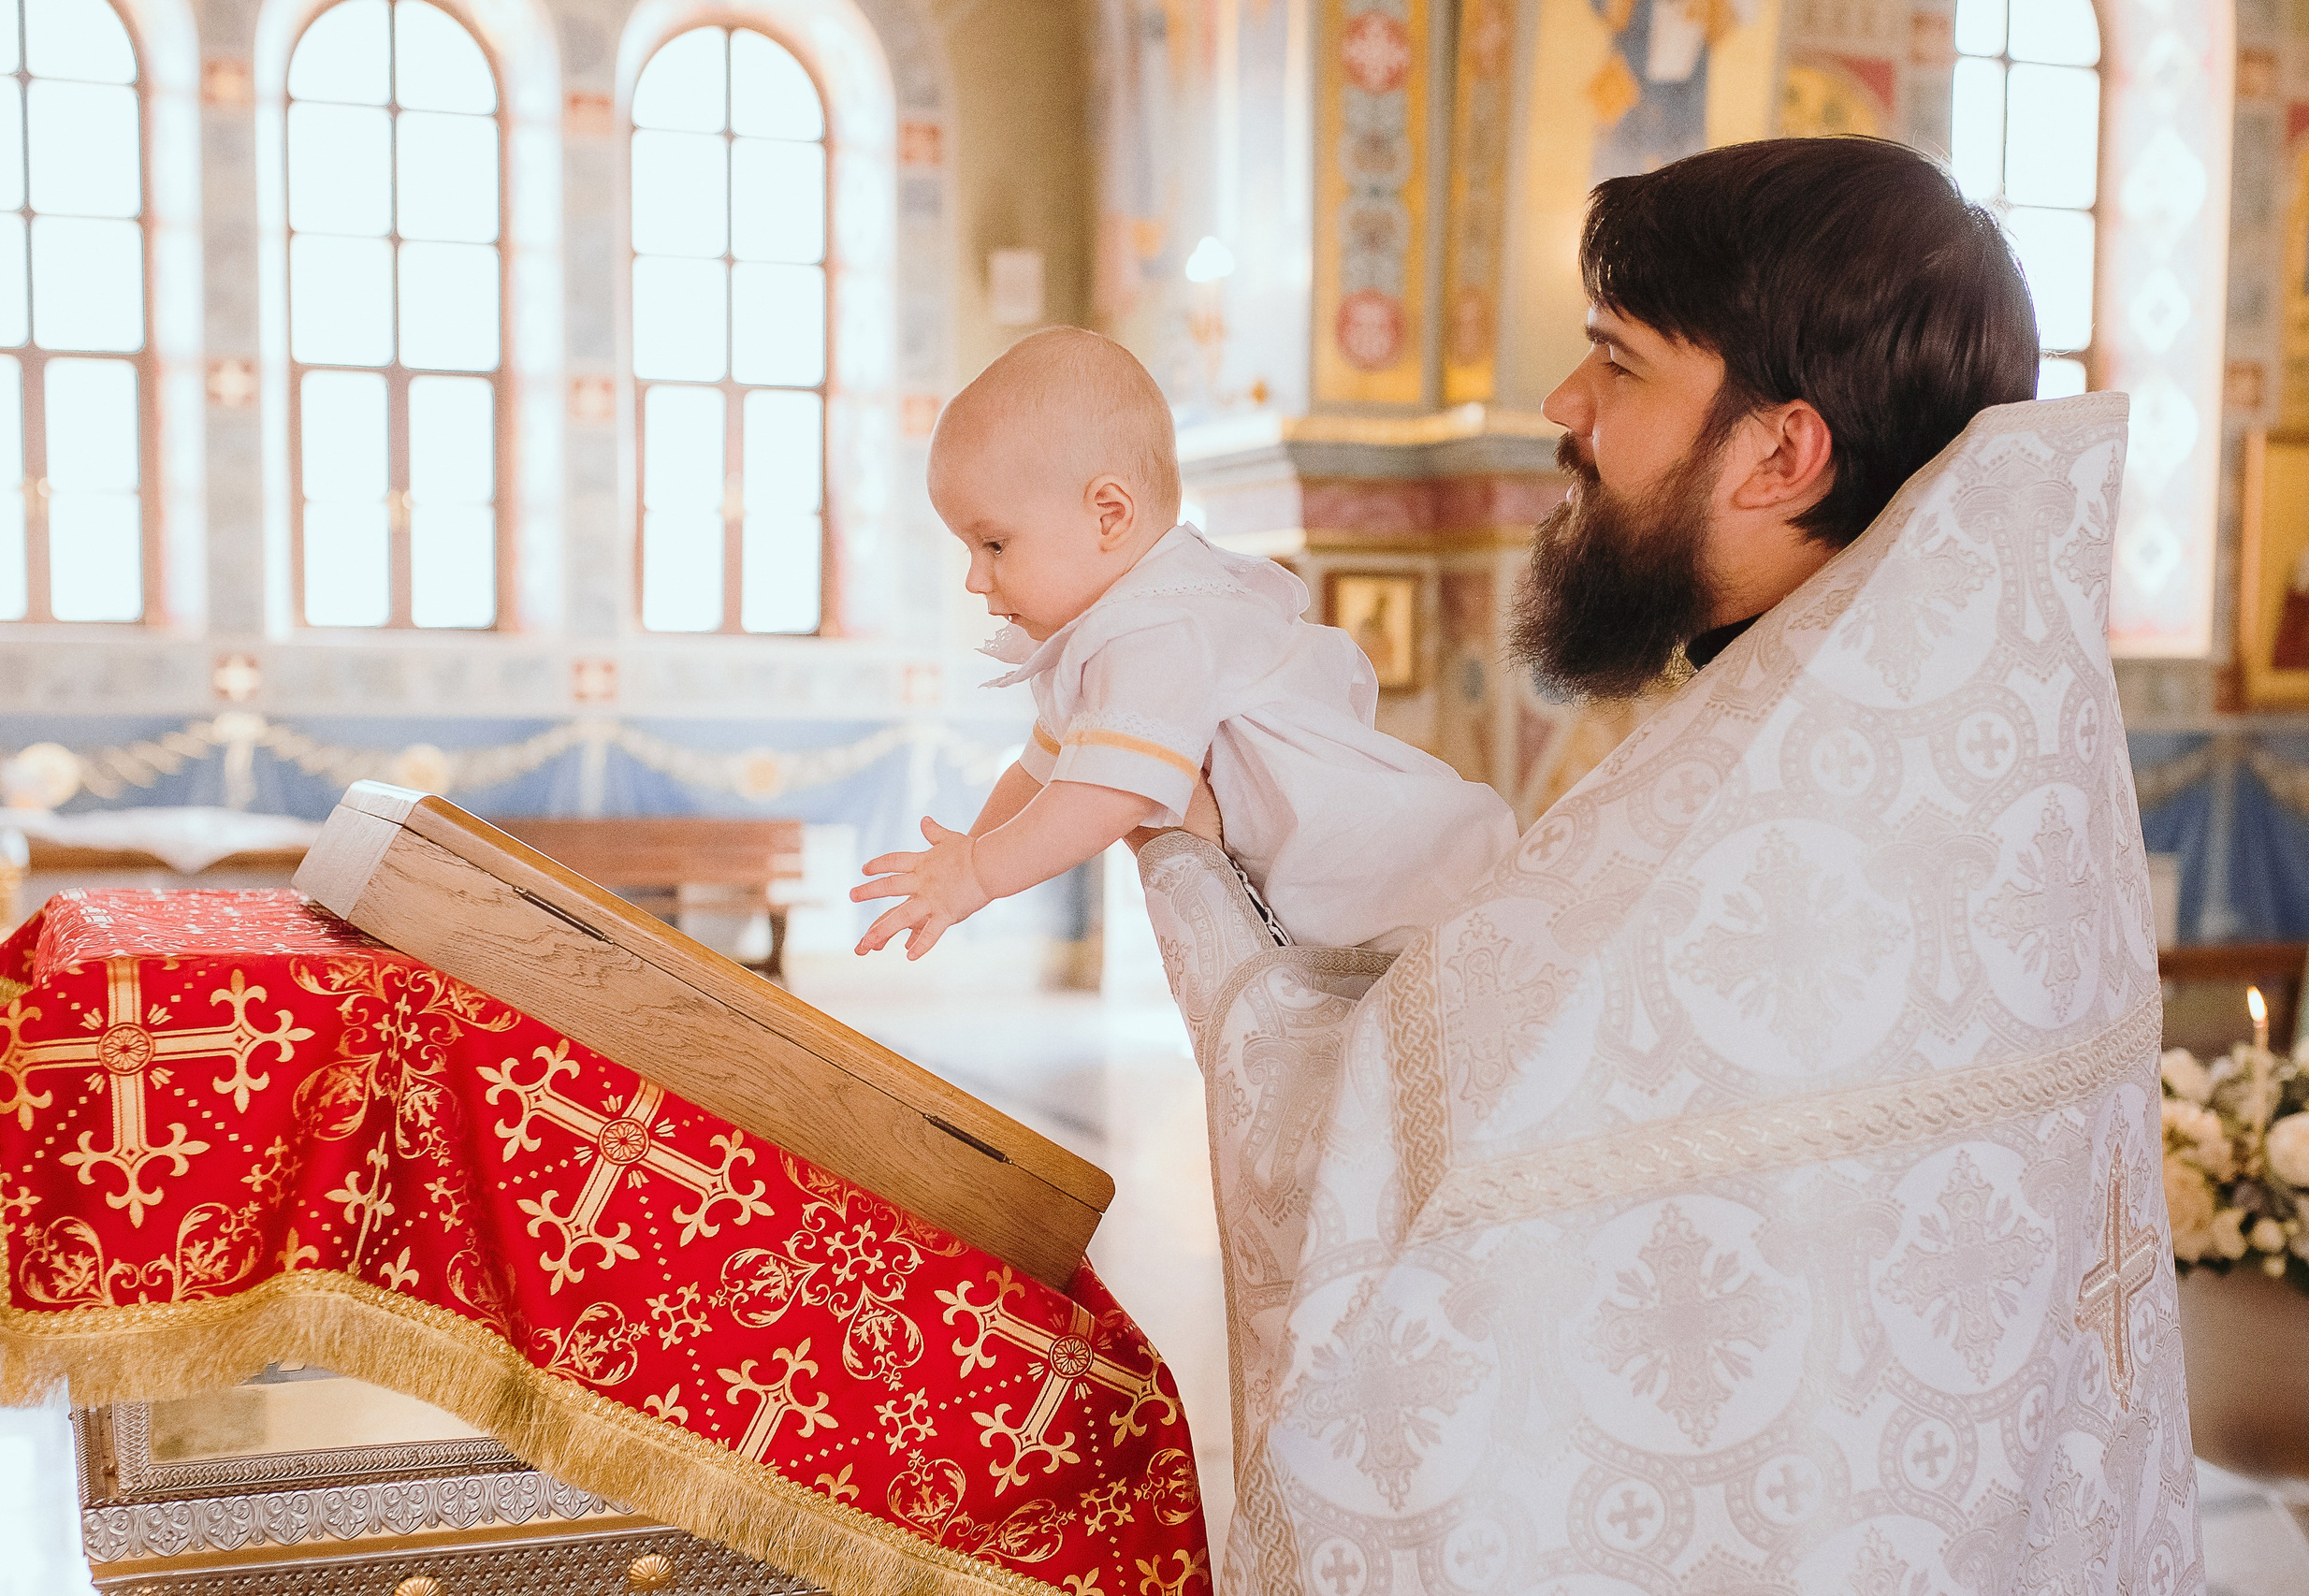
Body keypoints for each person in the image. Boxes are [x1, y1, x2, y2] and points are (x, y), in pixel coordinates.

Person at [1136, 138, 2199, 1594]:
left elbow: (1368, 1159)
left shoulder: (1771, 828)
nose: (1566, 410)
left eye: (1617, 364)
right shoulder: (1979, 766)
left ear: (1782, 451)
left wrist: (1189, 871)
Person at [851, 326, 1517, 958]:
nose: (974, 578)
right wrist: (970, 851)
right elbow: (1040, 771)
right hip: (1361, 893)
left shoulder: (1160, 626)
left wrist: (977, 873)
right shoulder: (1120, 625)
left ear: (1109, 514)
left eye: (994, 544)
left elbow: (1110, 794)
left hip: (1407, 872)